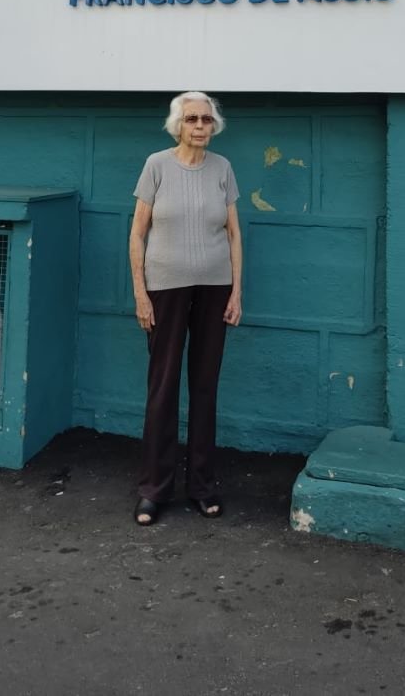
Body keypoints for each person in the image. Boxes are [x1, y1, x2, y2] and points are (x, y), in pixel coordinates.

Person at [128, 91, 242, 526]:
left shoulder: (222, 168)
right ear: (178, 124)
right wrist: (140, 294)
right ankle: (154, 490)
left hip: (215, 288)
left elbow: (233, 234)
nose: (199, 126)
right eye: (192, 119)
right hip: (165, 288)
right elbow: (137, 234)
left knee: (205, 387)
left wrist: (236, 292)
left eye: (206, 120)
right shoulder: (157, 165)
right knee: (163, 387)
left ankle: (202, 486)